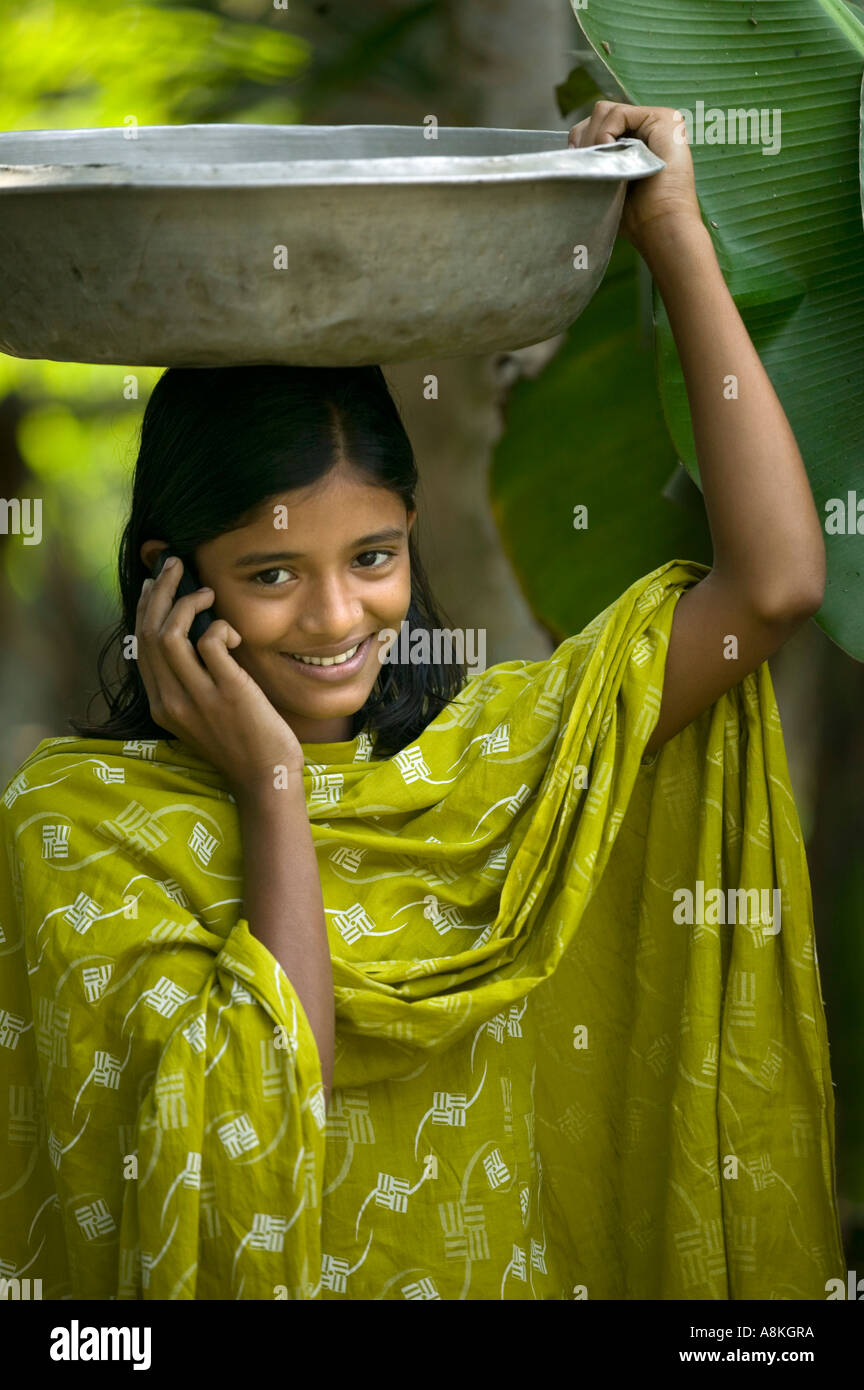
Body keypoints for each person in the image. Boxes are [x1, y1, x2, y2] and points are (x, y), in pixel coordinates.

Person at [0, 104, 843, 1300]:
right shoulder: (75, 831)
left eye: (375, 559)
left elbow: (775, 585)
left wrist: (671, 229)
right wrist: (276, 787)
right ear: (168, 584)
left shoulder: (496, 764)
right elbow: (243, 1156)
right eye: (275, 575)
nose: (340, 620)